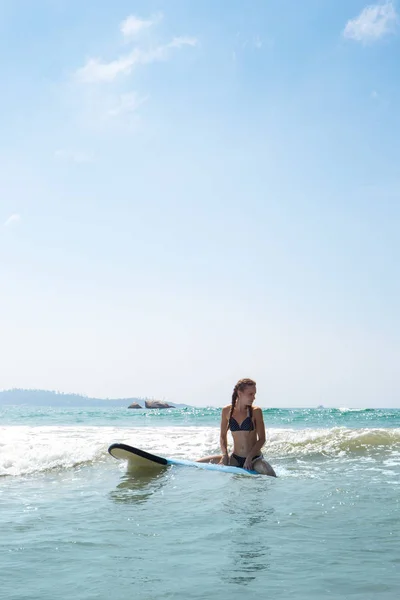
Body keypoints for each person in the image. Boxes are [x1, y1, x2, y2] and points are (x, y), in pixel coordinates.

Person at [197, 378, 276, 476]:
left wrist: (249, 458)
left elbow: (262, 439)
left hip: (254, 459)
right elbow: (222, 436)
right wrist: (225, 455)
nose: (254, 397)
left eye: (254, 394)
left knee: (270, 474)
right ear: (240, 393)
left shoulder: (256, 411)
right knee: (197, 463)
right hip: (234, 458)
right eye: (250, 394)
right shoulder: (226, 411)